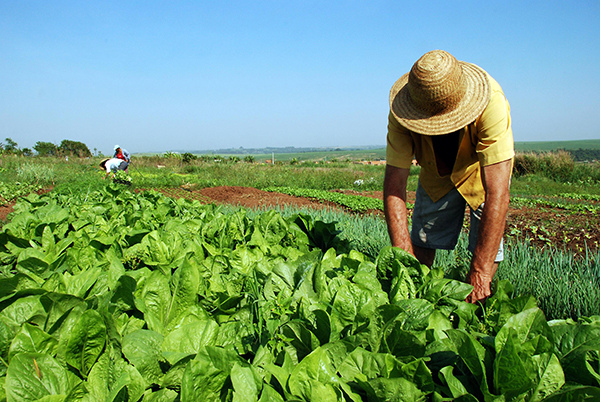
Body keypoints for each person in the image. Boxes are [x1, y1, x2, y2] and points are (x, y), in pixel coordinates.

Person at [384, 50, 514, 304]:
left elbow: (498, 193)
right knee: (422, 241)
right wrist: (403, 262)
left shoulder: (491, 102)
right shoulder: (402, 113)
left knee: (483, 265)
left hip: (478, 170)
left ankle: (477, 310)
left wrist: (480, 271)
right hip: (435, 171)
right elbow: (394, 186)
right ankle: (417, 299)